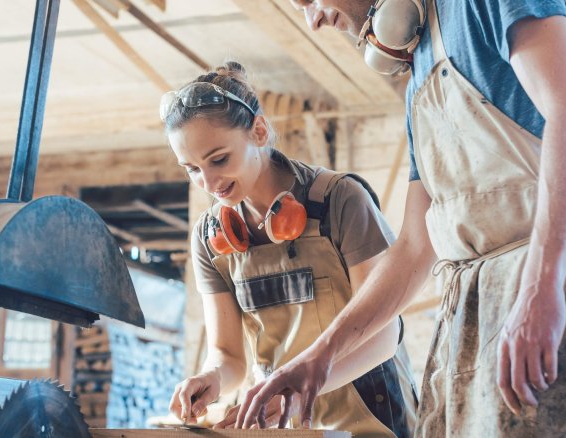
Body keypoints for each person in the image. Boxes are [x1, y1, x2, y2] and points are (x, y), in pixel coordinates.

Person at [235, 1, 566, 436]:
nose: (314, 20)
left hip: (556, 279)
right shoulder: (420, 68)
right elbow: (416, 248)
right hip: (475, 305)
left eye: (309, 1)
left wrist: (540, 287)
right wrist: (317, 357)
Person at [163, 61, 418, 437]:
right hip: (277, 421)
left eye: (219, 159)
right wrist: (212, 377)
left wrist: (293, 395)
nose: (209, 182)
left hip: (367, 418)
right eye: (192, 169)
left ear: (260, 131)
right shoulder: (209, 238)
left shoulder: (339, 200)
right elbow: (230, 356)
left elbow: (382, 336)